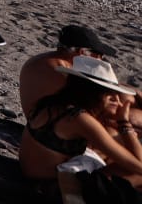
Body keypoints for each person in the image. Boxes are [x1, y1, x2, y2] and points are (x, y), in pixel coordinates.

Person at [20, 56, 142, 189]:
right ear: (97, 95)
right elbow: (138, 164)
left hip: (29, 174)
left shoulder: (53, 103)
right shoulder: (80, 119)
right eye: (113, 98)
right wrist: (124, 122)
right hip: (50, 188)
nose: (118, 103)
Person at [21, 25, 121, 120]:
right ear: (82, 52)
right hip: (46, 129)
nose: (100, 59)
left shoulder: (47, 60)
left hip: (40, 123)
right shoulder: (57, 70)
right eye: (99, 55)